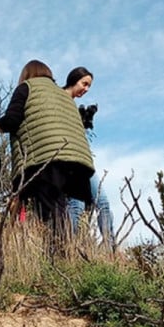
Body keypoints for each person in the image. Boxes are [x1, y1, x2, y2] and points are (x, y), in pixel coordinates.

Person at [0, 60, 94, 243]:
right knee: (59, 208)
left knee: (51, 213)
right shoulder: (63, 95)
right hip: (75, 159)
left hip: (45, 159)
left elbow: (11, 121)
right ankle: (65, 254)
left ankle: (60, 259)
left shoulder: (27, 87)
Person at [62, 67, 115, 248]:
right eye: (84, 84)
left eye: (89, 86)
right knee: (75, 205)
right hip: (66, 160)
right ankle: (71, 250)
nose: (86, 89)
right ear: (73, 80)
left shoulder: (73, 105)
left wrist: (84, 122)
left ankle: (110, 250)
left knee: (103, 203)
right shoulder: (59, 99)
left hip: (82, 160)